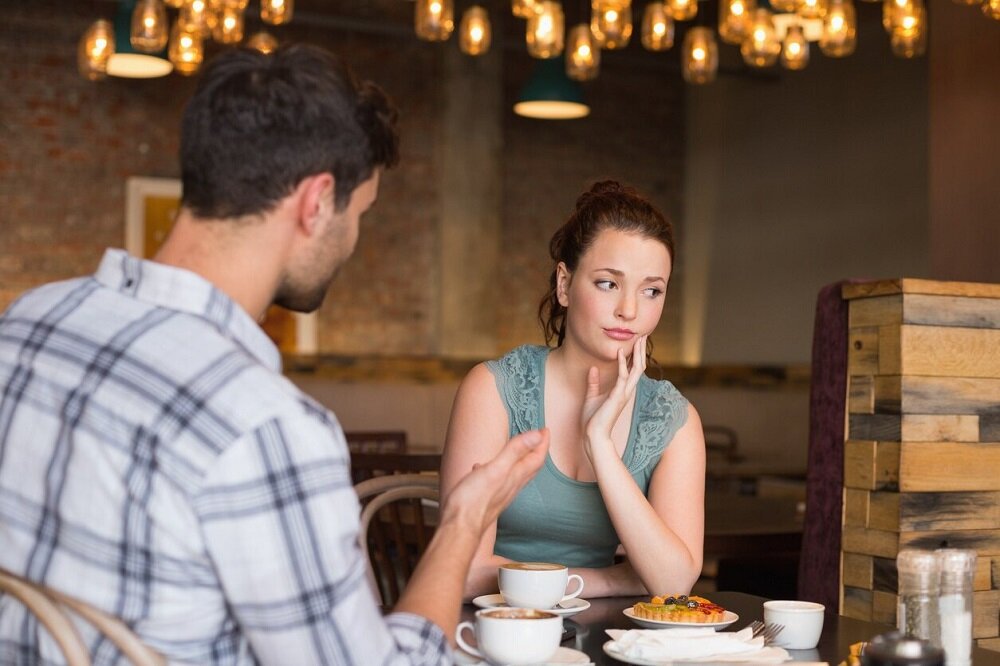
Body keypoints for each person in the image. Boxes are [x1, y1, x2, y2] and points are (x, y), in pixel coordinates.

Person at [0, 45, 548, 665]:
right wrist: (464, 520)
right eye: (359, 213)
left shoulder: (29, 322)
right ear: (316, 203)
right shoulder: (266, 426)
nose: (353, 240)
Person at [440, 181, 706, 601]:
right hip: (493, 635)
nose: (629, 310)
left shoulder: (675, 419)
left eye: (651, 290)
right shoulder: (492, 390)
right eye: (608, 283)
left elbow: (673, 583)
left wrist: (599, 443)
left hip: (610, 645)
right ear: (564, 285)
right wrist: (616, 581)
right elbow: (463, 571)